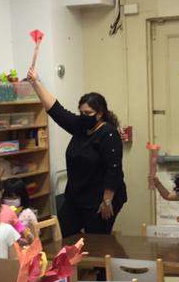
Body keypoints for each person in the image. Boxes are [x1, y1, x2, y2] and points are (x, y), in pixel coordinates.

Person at [27, 67, 127, 237]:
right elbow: (56, 110)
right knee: (64, 236)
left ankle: (101, 264)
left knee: (96, 244)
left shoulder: (108, 134)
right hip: (76, 197)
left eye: (88, 113)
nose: (83, 116)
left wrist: (107, 201)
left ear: (100, 113)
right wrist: (35, 83)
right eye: (81, 112)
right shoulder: (80, 126)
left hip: (101, 199)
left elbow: (114, 169)